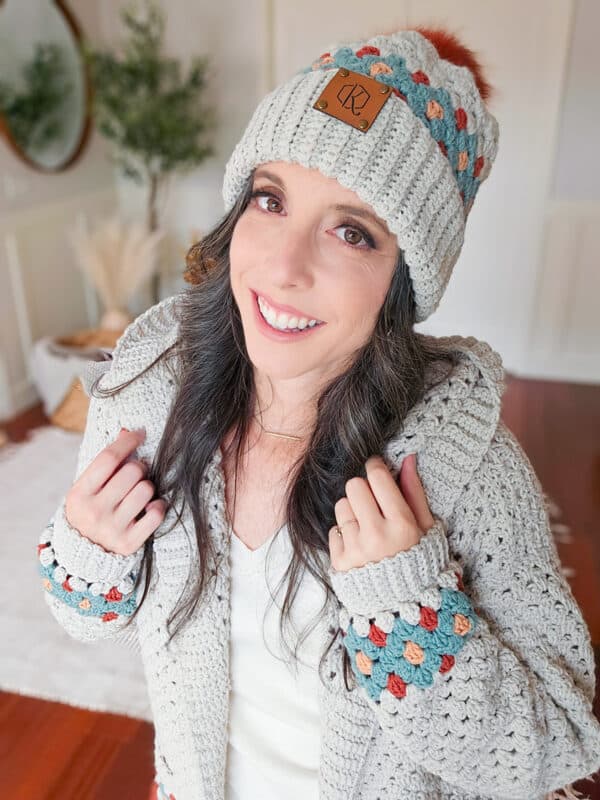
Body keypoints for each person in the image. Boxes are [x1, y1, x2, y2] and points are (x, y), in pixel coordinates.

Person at [37, 25, 600, 800]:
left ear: (403, 280)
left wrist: (409, 607)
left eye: (351, 231)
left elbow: (558, 747)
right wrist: (87, 548)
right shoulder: (146, 399)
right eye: (270, 200)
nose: (282, 265)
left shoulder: (465, 470)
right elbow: (86, 618)